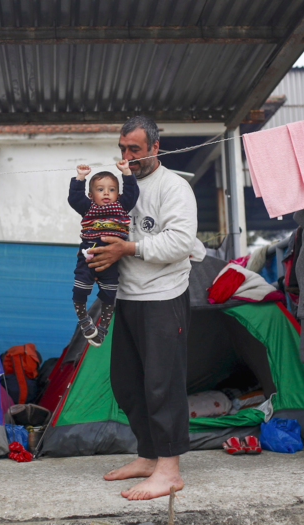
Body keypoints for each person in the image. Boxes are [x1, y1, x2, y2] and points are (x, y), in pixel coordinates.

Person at [88, 116, 198, 500]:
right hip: (128, 297)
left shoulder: (174, 187)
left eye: (134, 149)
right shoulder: (120, 187)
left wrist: (128, 248)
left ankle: (169, 471)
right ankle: (149, 456)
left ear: (155, 147)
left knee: (162, 385)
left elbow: (180, 242)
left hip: (163, 296)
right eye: (122, 148)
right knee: (128, 382)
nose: (127, 156)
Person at [68, 159, 139, 346]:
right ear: (91, 195)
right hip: (89, 253)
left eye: (112, 189)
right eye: (100, 189)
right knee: (79, 289)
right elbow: (74, 198)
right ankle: (84, 320)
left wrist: (126, 173)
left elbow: (132, 193)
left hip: (111, 257)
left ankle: (102, 329)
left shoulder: (122, 206)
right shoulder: (88, 207)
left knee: (109, 294)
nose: (106, 193)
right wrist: (80, 178)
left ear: (118, 193)